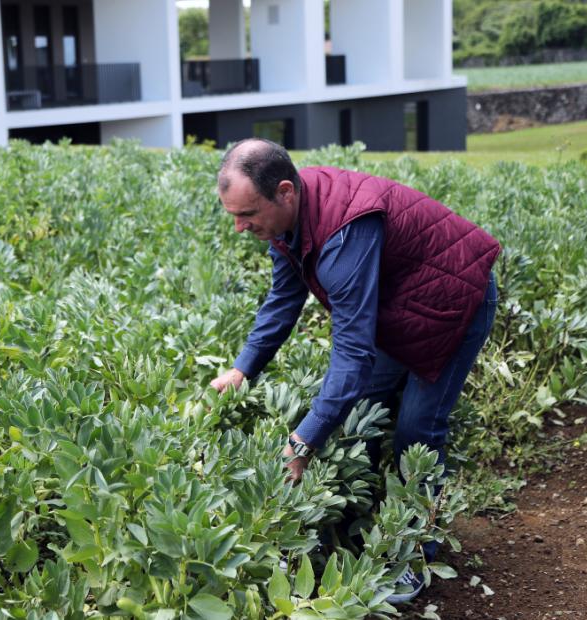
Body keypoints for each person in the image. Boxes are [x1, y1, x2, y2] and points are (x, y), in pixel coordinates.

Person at [209, 138, 500, 603]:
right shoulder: (288, 223)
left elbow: (353, 350)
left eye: (248, 215)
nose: (241, 227)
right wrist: (244, 369)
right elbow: (283, 301)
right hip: (399, 305)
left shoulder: (345, 228)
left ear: (285, 191)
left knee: (417, 432)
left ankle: (415, 557)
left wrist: (302, 441)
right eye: (234, 216)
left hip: (455, 299)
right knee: (359, 416)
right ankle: (355, 534)